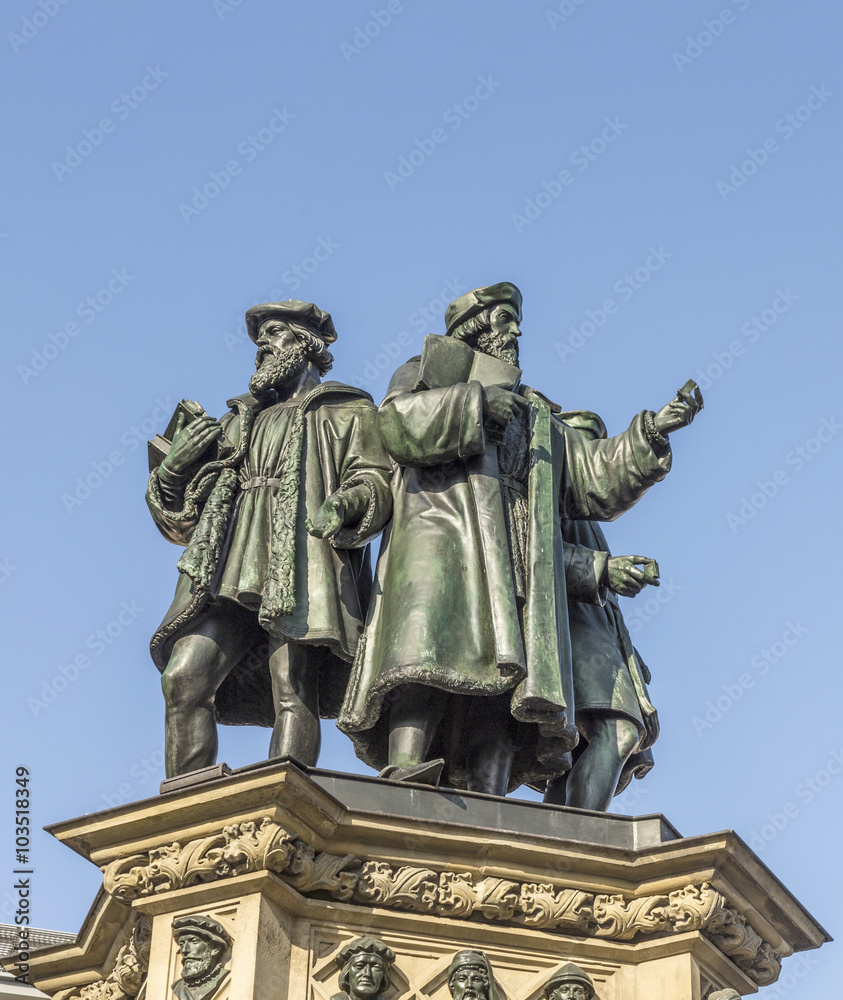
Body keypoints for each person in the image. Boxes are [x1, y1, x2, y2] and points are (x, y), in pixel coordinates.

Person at [338, 282, 702, 795]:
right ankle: (403, 769)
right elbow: (395, 424)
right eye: (505, 319)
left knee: (507, 687)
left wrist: (651, 433)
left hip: (514, 556)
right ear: (475, 326)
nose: (515, 330)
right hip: (441, 538)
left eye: (514, 320)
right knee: (426, 660)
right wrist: (475, 407)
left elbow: (591, 478)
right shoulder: (432, 369)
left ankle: (491, 795)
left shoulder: (536, 411)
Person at [147, 300, 392, 778]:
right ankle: (184, 809)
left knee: (293, 688)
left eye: (274, 333)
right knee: (184, 679)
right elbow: (183, 521)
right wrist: (174, 470)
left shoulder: (348, 410)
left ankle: (283, 804)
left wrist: (348, 503)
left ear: (305, 345)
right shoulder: (238, 420)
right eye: (260, 337)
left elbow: (376, 480)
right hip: (227, 561)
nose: (262, 346)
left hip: (301, 560)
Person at [543, 410, 661, 812]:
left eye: (596, 444)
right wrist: (602, 570)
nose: (589, 453)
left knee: (575, 750)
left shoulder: (584, 514)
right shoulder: (544, 492)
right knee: (620, 731)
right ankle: (580, 837)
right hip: (564, 630)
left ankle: (556, 837)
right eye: (580, 442)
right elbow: (532, 553)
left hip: (596, 633)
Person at [171, 915, 230, 1000]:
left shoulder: (226, 978)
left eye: (194, 941)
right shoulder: (178, 987)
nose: (184, 950)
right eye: (182, 944)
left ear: (215, 948)